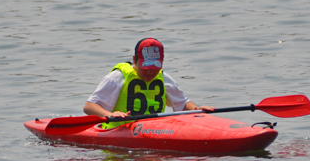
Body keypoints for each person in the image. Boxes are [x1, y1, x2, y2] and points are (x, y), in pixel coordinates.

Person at [84, 38, 215, 129]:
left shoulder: (164, 78)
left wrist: (197, 110)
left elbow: (182, 103)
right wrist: (111, 115)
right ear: (134, 60)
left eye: (155, 67)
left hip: (155, 130)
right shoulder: (118, 77)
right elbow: (89, 107)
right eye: (146, 67)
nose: (150, 72)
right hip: (118, 131)